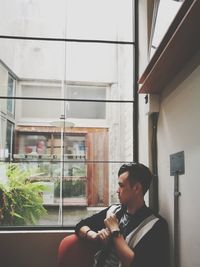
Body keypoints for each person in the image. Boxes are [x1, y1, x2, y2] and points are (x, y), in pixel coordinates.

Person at [75, 162, 169, 267]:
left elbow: (135, 263)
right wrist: (94, 236)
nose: (117, 191)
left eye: (121, 186)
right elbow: (80, 225)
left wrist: (115, 232)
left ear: (137, 188)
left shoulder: (155, 226)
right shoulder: (114, 211)